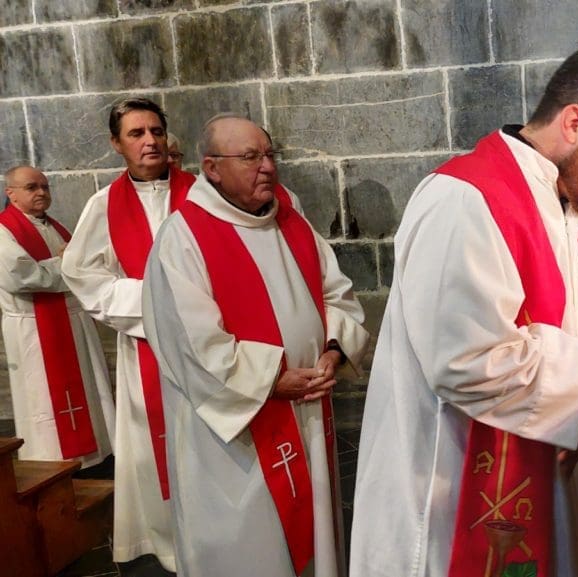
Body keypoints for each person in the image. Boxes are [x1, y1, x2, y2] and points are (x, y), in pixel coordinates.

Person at [350, 45, 578, 577]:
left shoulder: (561, 203)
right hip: (454, 494)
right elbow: (470, 362)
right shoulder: (465, 199)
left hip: (536, 473)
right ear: (575, 121)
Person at [142, 114, 369, 577]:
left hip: (304, 411)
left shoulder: (293, 223)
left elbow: (337, 295)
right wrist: (270, 381)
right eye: (249, 157)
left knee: (315, 536)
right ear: (211, 167)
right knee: (249, 546)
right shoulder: (183, 238)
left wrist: (333, 349)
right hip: (237, 431)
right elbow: (190, 343)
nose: (267, 166)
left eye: (269, 154)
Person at [61, 97, 195, 571]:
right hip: (146, 349)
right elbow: (81, 274)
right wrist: (153, 300)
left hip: (208, 343)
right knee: (156, 447)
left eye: (156, 131)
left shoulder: (202, 193)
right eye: (136, 134)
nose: (150, 141)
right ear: (116, 144)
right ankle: (166, 541)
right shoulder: (104, 205)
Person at [0, 166, 114, 470]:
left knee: (87, 394)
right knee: (43, 400)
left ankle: (94, 456)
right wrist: (67, 263)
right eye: (31, 187)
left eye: (45, 187)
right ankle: (53, 464)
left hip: (70, 322)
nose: (41, 192)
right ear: (10, 193)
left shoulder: (53, 226)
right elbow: (21, 276)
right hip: (35, 331)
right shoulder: (4, 230)